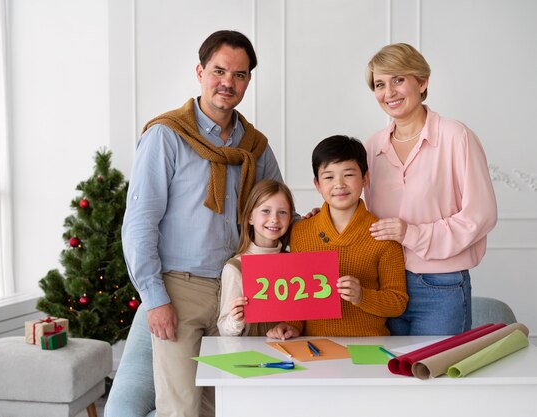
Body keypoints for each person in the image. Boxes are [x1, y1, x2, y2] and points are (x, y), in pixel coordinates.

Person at [121, 30, 283, 417]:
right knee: (181, 408)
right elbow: (140, 221)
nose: (228, 82)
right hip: (181, 289)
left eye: (239, 75)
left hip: (242, 288)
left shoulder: (254, 145)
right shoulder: (166, 135)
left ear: (248, 81)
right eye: (219, 70)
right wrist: (155, 299)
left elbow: (275, 209)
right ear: (200, 71)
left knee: (233, 404)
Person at [364, 43, 497, 336]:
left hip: (441, 286)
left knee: (433, 377)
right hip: (385, 285)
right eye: (380, 84)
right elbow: (368, 218)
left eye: (399, 80)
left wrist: (410, 233)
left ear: (422, 82)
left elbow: (481, 215)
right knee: (385, 377)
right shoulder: (372, 147)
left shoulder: (456, 136)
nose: (390, 93)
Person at [267, 135, 408, 340]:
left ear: (365, 178)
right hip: (313, 347)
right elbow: (299, 297)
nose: (339, 184)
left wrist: (362, 296)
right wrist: (292, 326)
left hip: (368, 346)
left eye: (349, 174)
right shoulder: (300, 232)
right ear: (317, 184)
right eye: (329, 177)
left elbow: (398, 302)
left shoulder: (384, 235)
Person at [218, 179, 294, 337]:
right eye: (266, 211)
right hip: (251, 354)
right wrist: (236, 319)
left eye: (282, 212)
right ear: (250, 217)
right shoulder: (235, 267)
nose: (274, 219)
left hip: (290, 350)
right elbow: (224, 328)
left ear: (290, 219)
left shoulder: (294, 263)